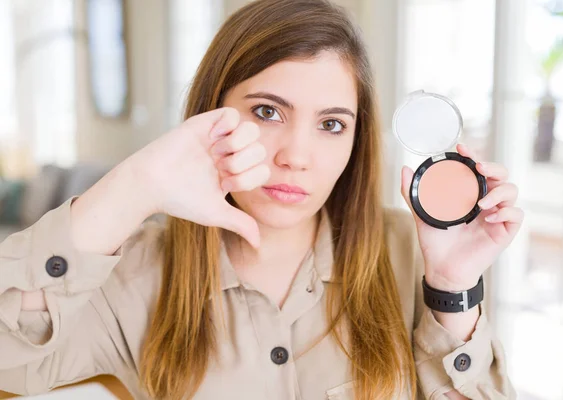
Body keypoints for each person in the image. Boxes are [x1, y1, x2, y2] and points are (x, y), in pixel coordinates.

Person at [0, 0, 523, 399]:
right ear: (211, 112)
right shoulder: (138, 273)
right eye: (268, 112)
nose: (295, 156)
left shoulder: (409, 255)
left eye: (331, 124)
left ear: (355, 142)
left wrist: (452, 289)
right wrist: (132, 184)